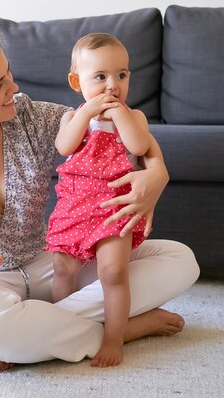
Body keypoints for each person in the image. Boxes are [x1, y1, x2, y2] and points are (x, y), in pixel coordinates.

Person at [0, 24, 200, 373]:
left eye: (9, 73)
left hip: (43, 268)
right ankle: (119, 331)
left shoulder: (27, 117)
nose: (14, 88)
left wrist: (157, 172)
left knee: (179, 260)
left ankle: (36, 336)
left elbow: (109, 127)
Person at [46, 33, 153, 367]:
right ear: (77, 82)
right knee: (62, 268)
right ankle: (62, 327)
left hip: (113, 208)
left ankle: (113, 338)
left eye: (121, 75)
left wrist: (119, 113)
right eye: (101, 77)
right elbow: (64, 147)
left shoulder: (133, 117)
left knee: (113, 273)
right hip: (74, 207)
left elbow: (138, 147)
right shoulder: (71, 118)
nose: (112, 86)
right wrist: (85, 114)